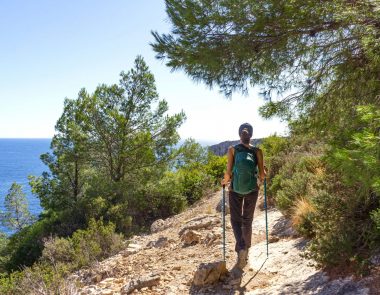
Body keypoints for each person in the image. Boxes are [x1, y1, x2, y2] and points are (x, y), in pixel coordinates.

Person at [221, 123, 266, 269]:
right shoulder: (257, 151)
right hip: (252, 189)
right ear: (251, 135)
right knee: (247, 220)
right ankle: (246, 249)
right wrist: (264, 174)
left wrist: (224, 181)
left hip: (235, 189)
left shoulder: (232, 150)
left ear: (239, 134)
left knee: (235, 220)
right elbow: (262, 175)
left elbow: (228, 172)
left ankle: (240, 247)